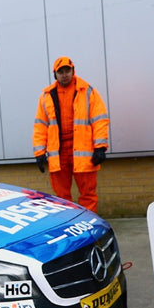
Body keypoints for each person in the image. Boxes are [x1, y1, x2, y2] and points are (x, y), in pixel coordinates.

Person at [32, 56, 109, 214]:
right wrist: (39, 153)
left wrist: (100, 147)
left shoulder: (88, 92)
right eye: (61, 71)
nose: (65, 74)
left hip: (83, 151)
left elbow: (100, 120)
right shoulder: (46, 96)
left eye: (67, 70)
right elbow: (40, 126)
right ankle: (68, 226)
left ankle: (88, 226)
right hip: (59, 154)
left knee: (88, 195)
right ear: (55, 74)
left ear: (73, 71)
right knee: (61, 198)